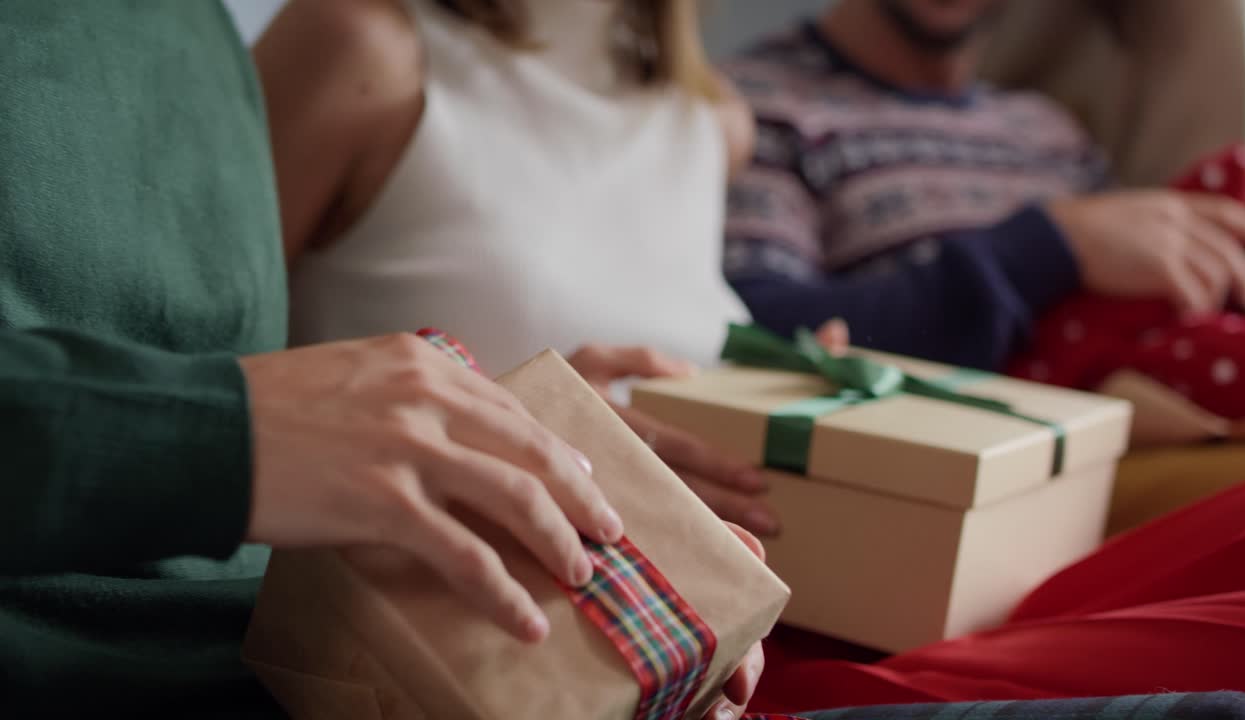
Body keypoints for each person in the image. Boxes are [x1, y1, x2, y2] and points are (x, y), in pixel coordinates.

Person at [0, 1, 766, 717]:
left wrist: (601, 477)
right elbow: (227, 406)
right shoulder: (356, 46)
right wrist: (236, 435)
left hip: (492, 625)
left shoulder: (712, 119)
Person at [259, 0, 786, 538]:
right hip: (397, 601)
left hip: (658, 601)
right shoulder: (359, 48)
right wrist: (534, 439)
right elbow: (198, 398)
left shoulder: (712, 119)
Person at [723, 0, 1245, 439]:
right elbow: (754, 334)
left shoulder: (1046, 127)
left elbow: (1138, 320)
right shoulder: (750, 106)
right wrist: (1052, 246)